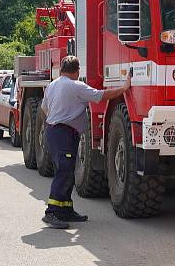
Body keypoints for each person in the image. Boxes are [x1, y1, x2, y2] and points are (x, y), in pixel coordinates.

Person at [40, 55, 131, 229]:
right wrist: (124, 88)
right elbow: (101, 96)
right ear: (77, 71)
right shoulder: (76, 86)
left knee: (66, 171)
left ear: (62, 70)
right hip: (64, 133)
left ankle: (66, 210)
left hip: (56, 131)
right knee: (64, 171)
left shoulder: (52, 85)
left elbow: (45, 109)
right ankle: (51, 212)